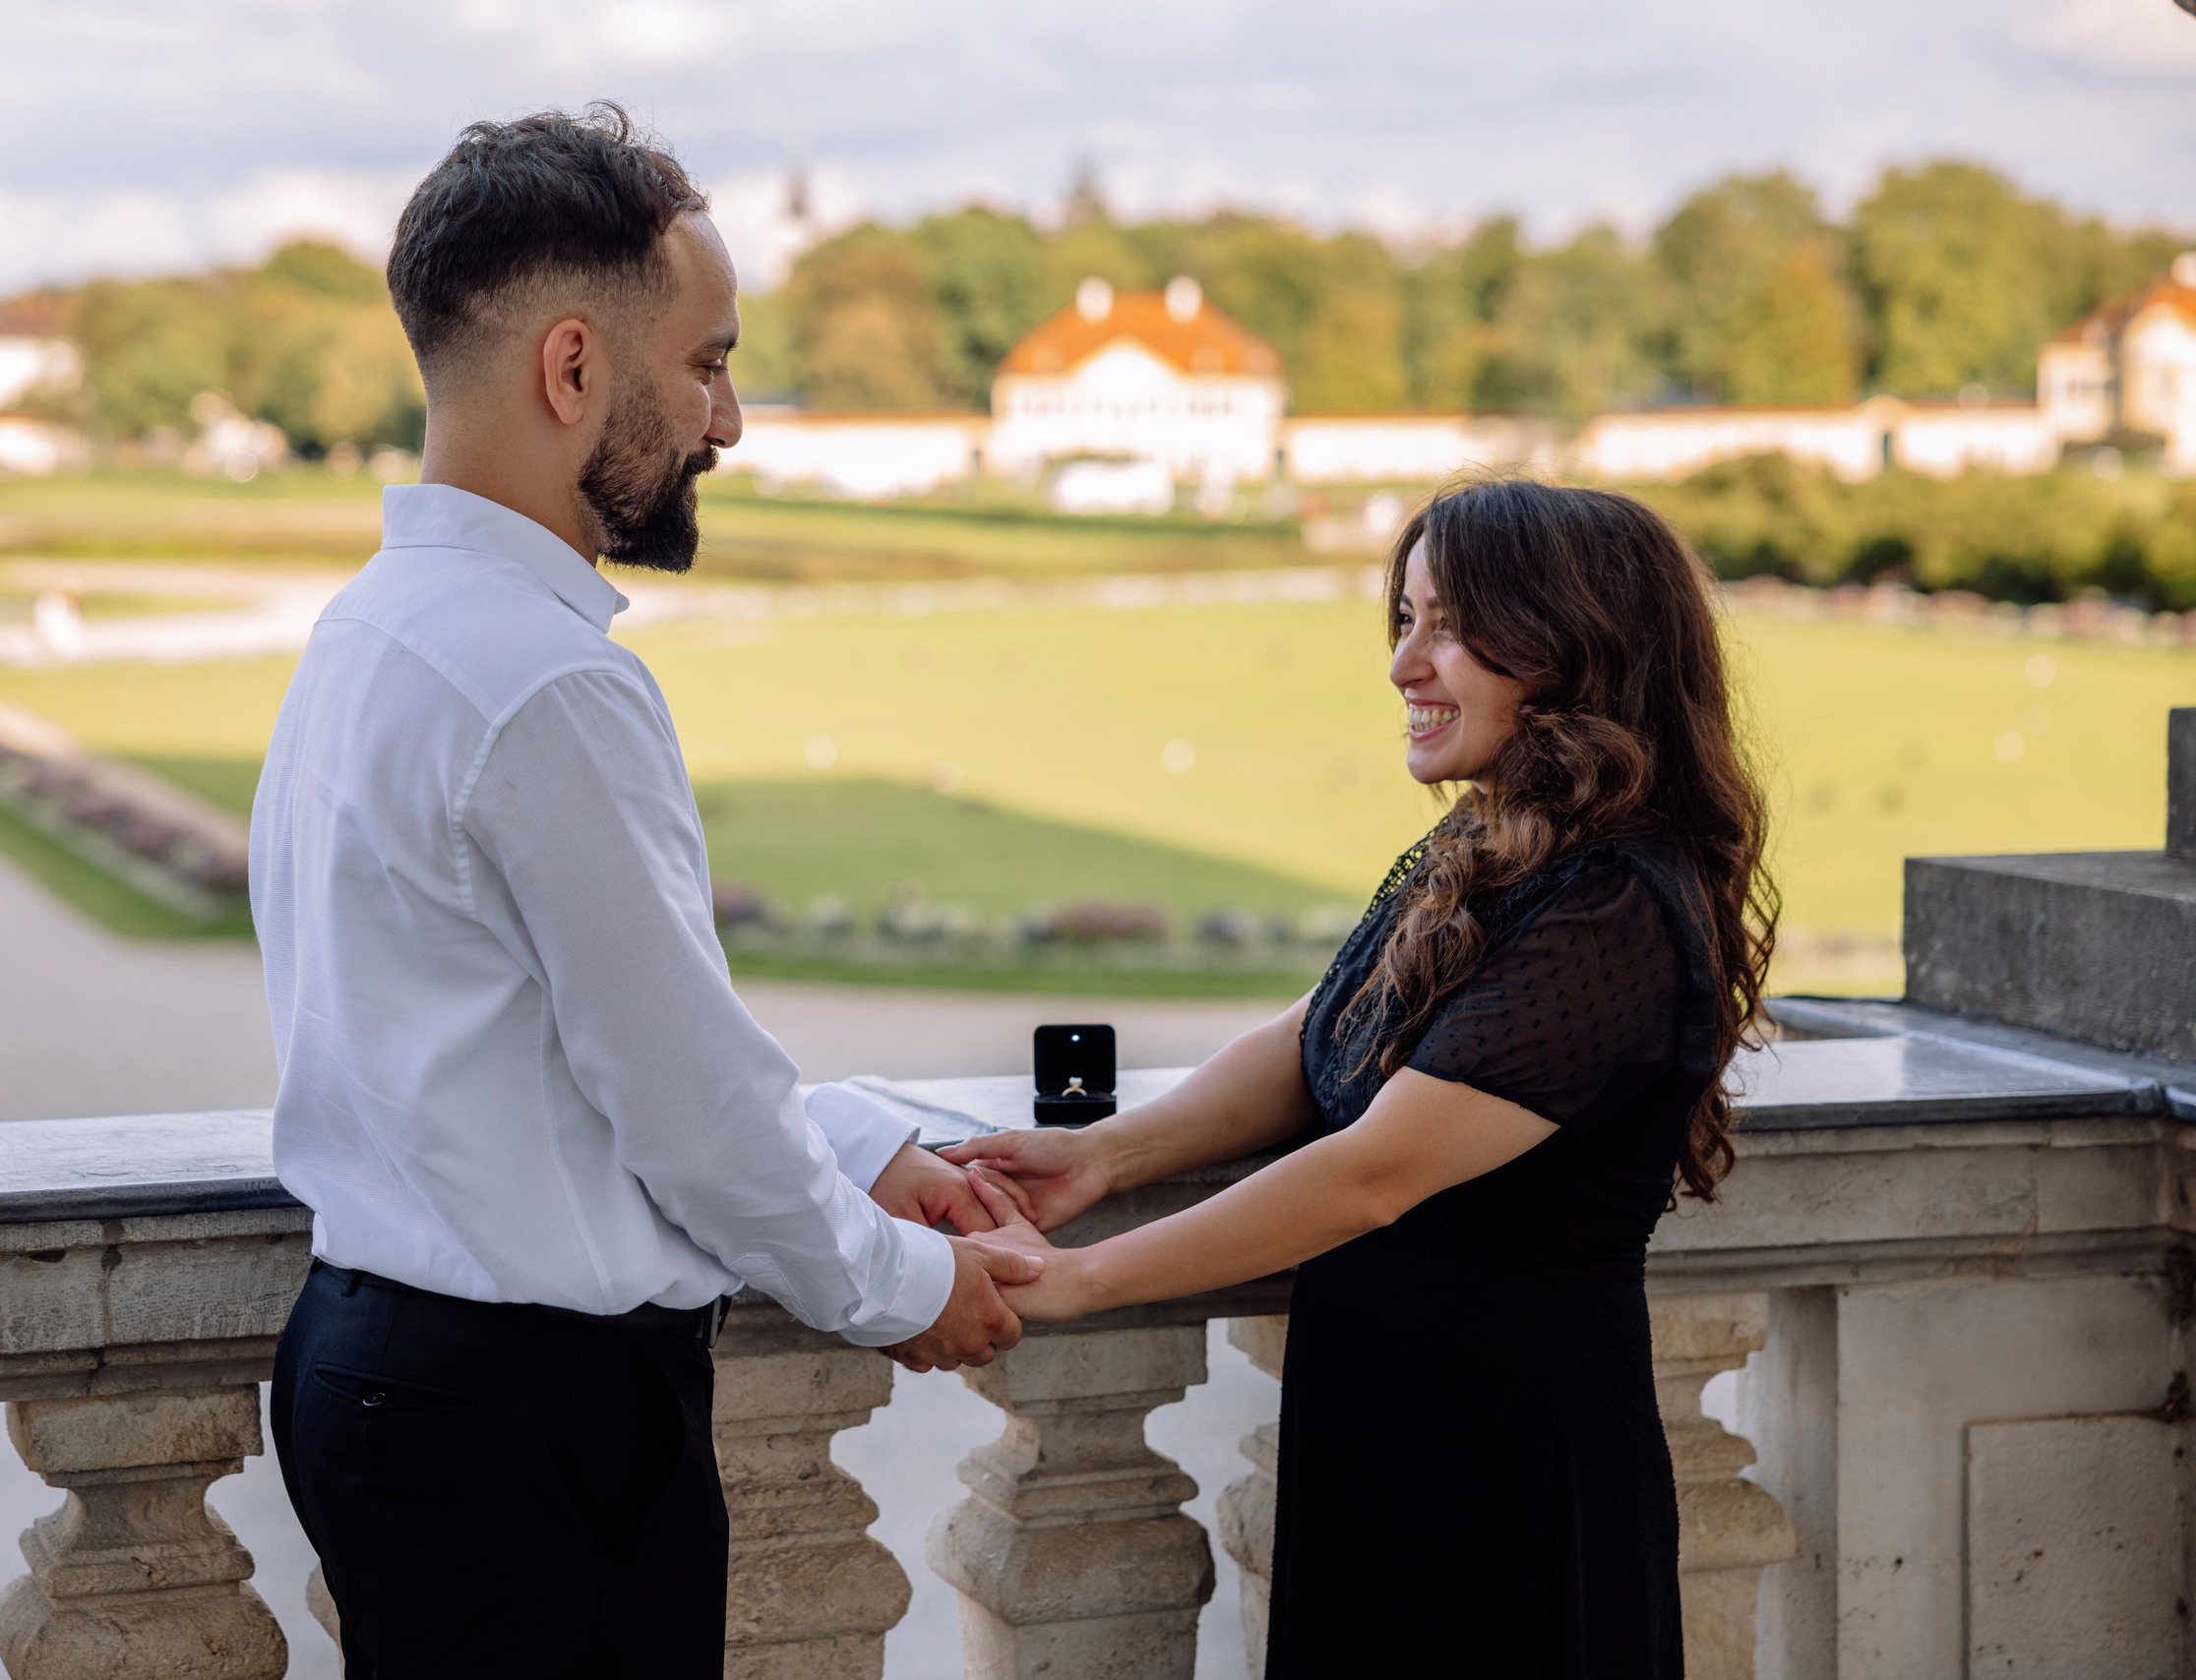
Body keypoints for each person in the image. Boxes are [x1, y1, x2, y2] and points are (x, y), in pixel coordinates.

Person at [252, 107, 1041, 1680]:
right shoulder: (545, 684)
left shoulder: (370, 628)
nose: (729, 420)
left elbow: (539, 1063)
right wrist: (905, 1287)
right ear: (572, 370)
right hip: (525, 1421)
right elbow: (681, 1111)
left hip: (378, 1370)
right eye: (705, 363)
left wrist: (866, 1141)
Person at [946, 478, 1776, 1679]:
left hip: (1511, 1475)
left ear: (1571, 644)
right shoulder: (1483, 843)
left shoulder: (1614, 906)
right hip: (1392, 1433)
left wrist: (1075, 1282)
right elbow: (1312, 1039)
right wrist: (1105, 1154)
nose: (1403, 664)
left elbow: (1371, 1172)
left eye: (1449, 625)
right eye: (1405, 616)